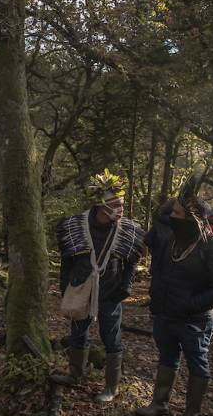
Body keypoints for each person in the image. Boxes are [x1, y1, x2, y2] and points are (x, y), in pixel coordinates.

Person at [135, 175, 213, 416]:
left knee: (197, 362)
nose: (173, 216)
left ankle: (191, 415)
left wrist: (189, 305)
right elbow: (162, 216)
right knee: (167, 358)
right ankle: (159, 404)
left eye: (179, 213)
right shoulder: (169, 240)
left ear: (193, 218)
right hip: (166, 316)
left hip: (196, 321)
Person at [50, 170, 145, 403]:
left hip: (111, 292)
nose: (120, 208)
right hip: (81, 289)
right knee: (78, 333)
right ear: (101, 205)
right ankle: (75, 374)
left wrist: (126, 287)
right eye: (116, 204)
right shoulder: (75, 225)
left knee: (112, 338)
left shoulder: (128, 230)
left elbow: (132, 261)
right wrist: (66, 288)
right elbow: (67, 261)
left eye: (122, 203)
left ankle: (111, 387)